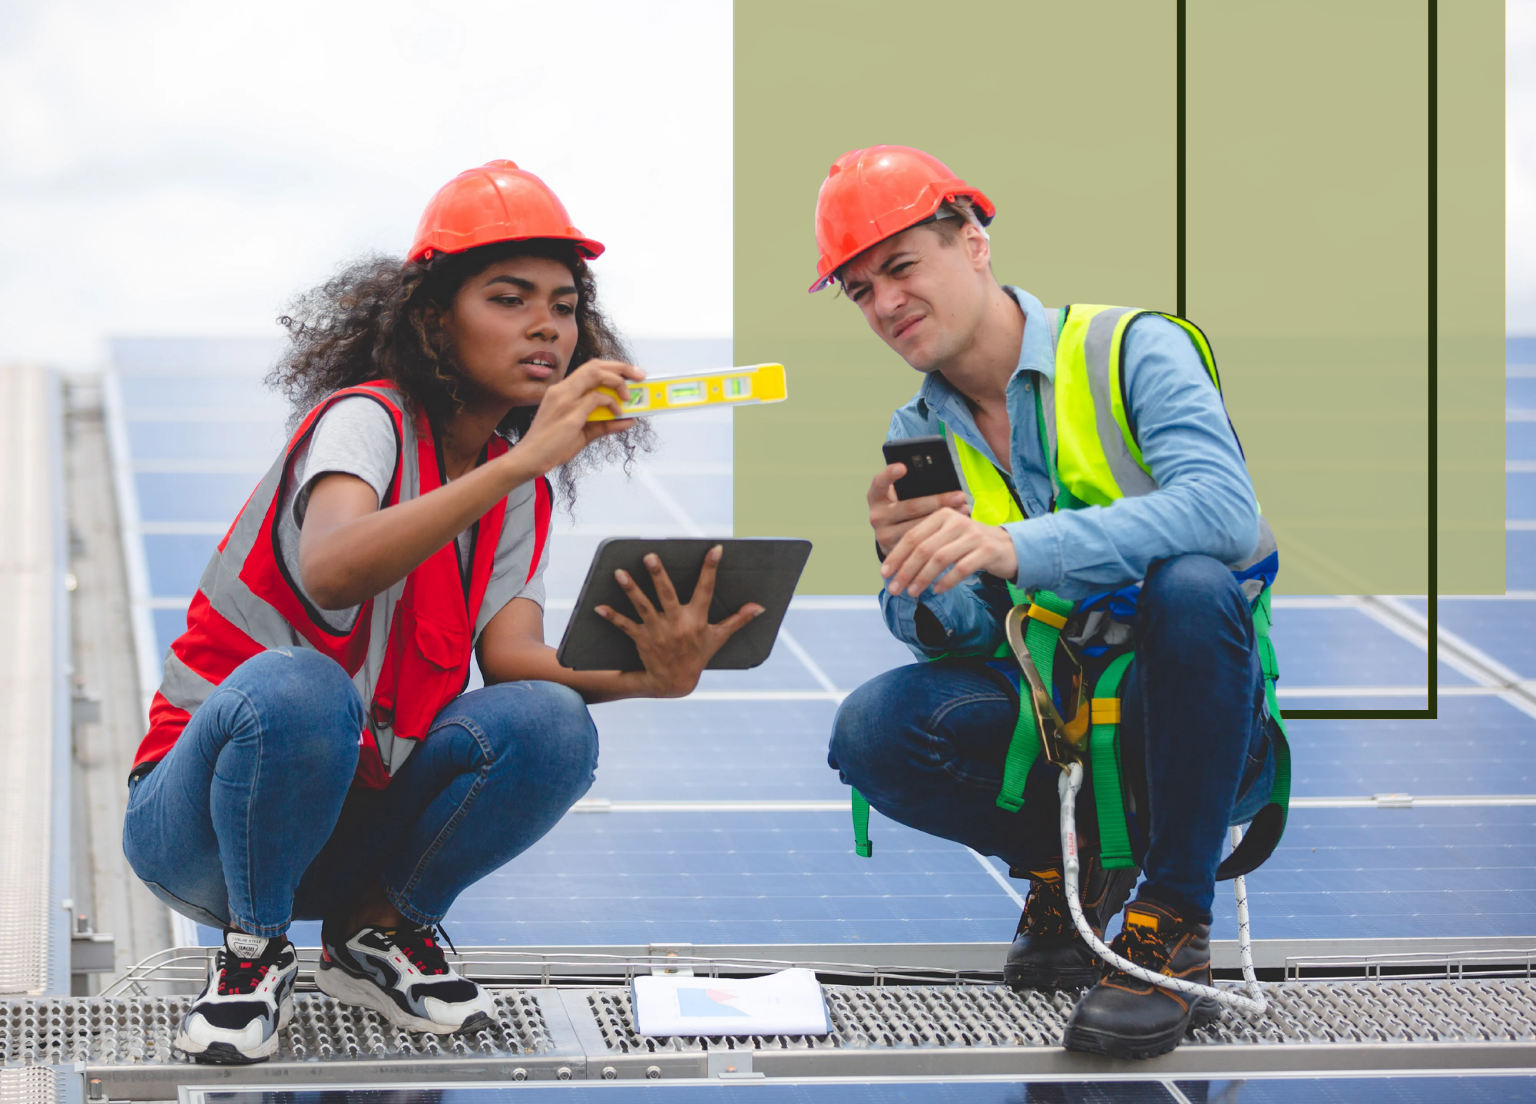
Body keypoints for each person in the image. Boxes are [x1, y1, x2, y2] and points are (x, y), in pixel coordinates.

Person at [122, 160, 763, 1065]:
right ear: (434, 319)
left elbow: (515, 667)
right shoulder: (366, 421)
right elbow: (336, 568)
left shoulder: (516, 491)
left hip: (345, 825)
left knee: (553, 723)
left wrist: (647, 678)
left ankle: (376, 930)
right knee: (303, 689)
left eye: (566, 304)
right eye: (509, 298)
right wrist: (520, 462)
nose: (548, 324)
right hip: (203, 826)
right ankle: (251, 953)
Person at [815, 146, 1287, 1059]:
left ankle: (1173, 926)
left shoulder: (1132, 347)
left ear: (975, 242)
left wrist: (1015, 545)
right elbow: (953, 647)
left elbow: (1227, 512)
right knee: (876, 727)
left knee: (1191, 586)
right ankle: (1072, 872)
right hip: (1062, 730)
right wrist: (905, 562)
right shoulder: (917, 431)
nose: (884, 304)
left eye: (902, 266)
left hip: (1195, 727)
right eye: (860, 289)